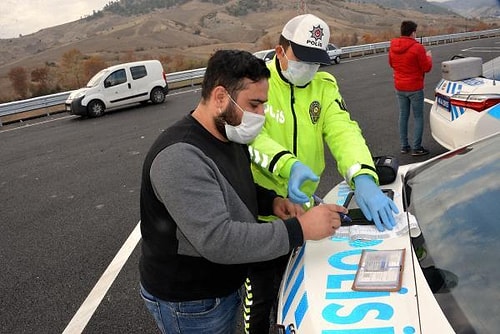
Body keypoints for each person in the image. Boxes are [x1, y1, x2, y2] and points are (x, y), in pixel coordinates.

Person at [138, 49, 349, 334]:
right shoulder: (180, 157)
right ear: (221, 97)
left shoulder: (227, 132)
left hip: (222, 284)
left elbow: (237, 186)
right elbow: (218, 239)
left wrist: (272, 202)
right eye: (254, 104)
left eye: (263, 105)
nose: (261, 115)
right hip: (189, 301)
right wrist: (299, 229)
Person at [244, 14, 400, 334]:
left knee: (302, 290)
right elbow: (249, 137)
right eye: (303, 59)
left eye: (317, 61)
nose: (310, 69)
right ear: (280, 52)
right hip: (262, 209)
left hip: (303, 208)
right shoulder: (256, 84)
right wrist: (288, 165)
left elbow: (344, 132)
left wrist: (364, 178)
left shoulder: (323, 86)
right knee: (259, 299)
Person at [389, 20, 433, 156]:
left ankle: (404, 146)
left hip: (399, 86)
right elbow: (427, 67)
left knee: (403, 115)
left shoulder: (393, 46)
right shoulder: (418, 48)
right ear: (413, 32)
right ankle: (417, 147)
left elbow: (391, 63)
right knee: (418, 117)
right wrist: (429, 58)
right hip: (414, 87)